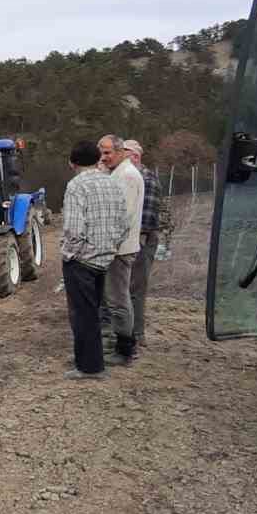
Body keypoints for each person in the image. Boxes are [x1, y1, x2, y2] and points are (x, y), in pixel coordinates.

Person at [61, 141, 130, 379]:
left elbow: (73, 229)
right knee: (94, 313)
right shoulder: (112, 183)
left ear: (72, 163)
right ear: (97, 159)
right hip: (105, 260)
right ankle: (92, 358)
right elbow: (124, 224)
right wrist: (110, 248)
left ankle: (90, 367)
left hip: (82, 262)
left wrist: (71, 254)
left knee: (83, 315)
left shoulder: (76, 186)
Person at [97, 133, 144, 364]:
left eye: (107, 153)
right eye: (101, 153)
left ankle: (126, 349)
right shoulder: (118, 173)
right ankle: (122, 344)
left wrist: (105, 246)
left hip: (119, 249)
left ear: (120, 151)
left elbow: (121, 217)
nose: (103, 158)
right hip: (116, 247)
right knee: (115, 298)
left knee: (118, 299)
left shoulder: (126, 176)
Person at [123, 139, 170, 347]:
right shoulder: (131, 177)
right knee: (126, 287)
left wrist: (132, 239)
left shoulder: (146, 179)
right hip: (135, 239)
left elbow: (147, 218)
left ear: (135, 156)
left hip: (142, 239)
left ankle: (136, 334)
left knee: (135, 288)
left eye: (123, 153)